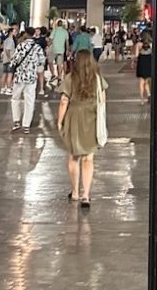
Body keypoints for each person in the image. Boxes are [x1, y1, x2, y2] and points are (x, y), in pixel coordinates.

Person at [57, 49, 108, 207]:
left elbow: (64, 101)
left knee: (74, 156)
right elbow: (103, 100)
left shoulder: (70, 78)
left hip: (75, 118)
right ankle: (86, 195)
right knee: (88, 158)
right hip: (92, 118)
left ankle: (75, 192)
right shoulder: (97, 79)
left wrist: (60, 121)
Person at [10, 27, 47, 134]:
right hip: (31, 78)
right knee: (29, 101)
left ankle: (16, 121)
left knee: (15, 99)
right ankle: (26, 125)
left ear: (26, 34)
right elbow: (41, 63)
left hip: (19, 77)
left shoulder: (20, 46)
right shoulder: (37, 48)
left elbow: (14, 61)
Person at [0, 25, 17, 95]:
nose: (16, 33)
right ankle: (9, 88)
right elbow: (7, 50)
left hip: (5, 60)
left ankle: (3, 88)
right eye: (15, 31)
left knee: (4, 74)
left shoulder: (6, 40)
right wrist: (10, 58)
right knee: (10, 74)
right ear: (11, 32)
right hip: (9, 60)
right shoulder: (10, 40)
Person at [50, 20, 69, 85]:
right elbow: (67, 42)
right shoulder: (65, 31)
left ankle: (53, 74)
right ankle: (59, 77)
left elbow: (51, 39)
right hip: (61, 50)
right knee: (59, 64)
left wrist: (48, 45)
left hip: (54, 49)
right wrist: (67, 50)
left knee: (50, 61)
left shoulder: (54, 30)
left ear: (57, 24)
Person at [136, 32, 153, 103]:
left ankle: (142, 99)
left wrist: (133, 62)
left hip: (141, 64)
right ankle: (149, 94)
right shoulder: (151, 45)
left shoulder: (139, 45)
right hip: (149, 64)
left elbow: (136, 55)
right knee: (147, 81)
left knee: (141, 82)